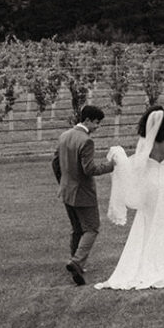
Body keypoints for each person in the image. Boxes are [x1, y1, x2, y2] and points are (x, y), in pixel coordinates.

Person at [95, 106, 164, 290]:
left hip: (149, 186)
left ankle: (144, 260)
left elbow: (138, 166)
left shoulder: (144, 141)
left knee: (147, 223)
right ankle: (162, 262)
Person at [51, 104, 116, 286]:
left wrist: (64, 183)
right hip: (83, 194)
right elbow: (90, 169)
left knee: (77, 229)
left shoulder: (64, 136)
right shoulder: (86, 141)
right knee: (92, 228)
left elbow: (55, 164)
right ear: (87, 120)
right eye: (97, 123)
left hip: (66, 192)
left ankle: (75, 261)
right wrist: (111, 165)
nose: (98, 127)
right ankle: (77, 262)